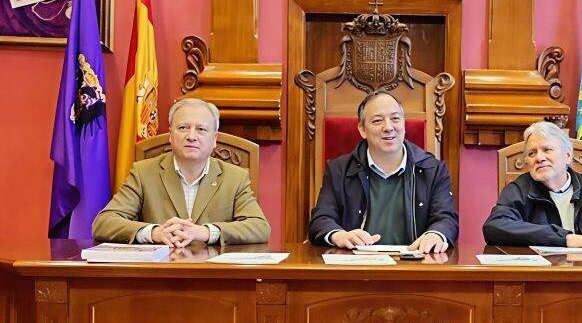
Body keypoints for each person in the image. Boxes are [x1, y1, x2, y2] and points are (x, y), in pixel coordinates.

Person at [92, 98, 270, 246]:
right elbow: (104, 223)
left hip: (213, 276)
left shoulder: (235, 177)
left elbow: (259, 227)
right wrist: (154, 232)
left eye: (201, 129)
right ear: (170, 135)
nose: (192, 136)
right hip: (159, 276)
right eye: (183, 128)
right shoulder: (144, 173)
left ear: (214, 139)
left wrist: (205, 232)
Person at [308, 91, 458, 253]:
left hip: (415, 267)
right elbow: (321, 219)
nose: (388, 127)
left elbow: (446, 219)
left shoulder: (433, 170)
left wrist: (436, 234)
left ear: (404, 124)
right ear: (362, 130)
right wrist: (339, 235)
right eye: (378, 121)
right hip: (355, 266)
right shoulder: (339, 170)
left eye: (395, 119)